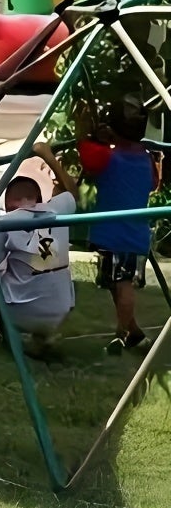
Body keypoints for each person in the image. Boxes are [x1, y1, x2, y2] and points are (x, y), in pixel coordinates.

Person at [77, 106, 159, 354]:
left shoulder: (107, 157)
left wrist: (87, 133)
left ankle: (120, 335)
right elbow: (153, 183)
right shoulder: (146, 159)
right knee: (117, 283)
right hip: (133, 233)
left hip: (116, 235)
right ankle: (133, 332)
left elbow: (87, 157)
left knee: (122, 284)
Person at [0, 144, 78, 358]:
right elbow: (72, 193)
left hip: (21, 312)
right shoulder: (57, 210)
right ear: (38, 199)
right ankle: (44, 335)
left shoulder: (5, 222)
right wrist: (48, 157)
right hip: (61, 309)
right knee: (48, 267)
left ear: (8, 203)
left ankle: (0, 322)